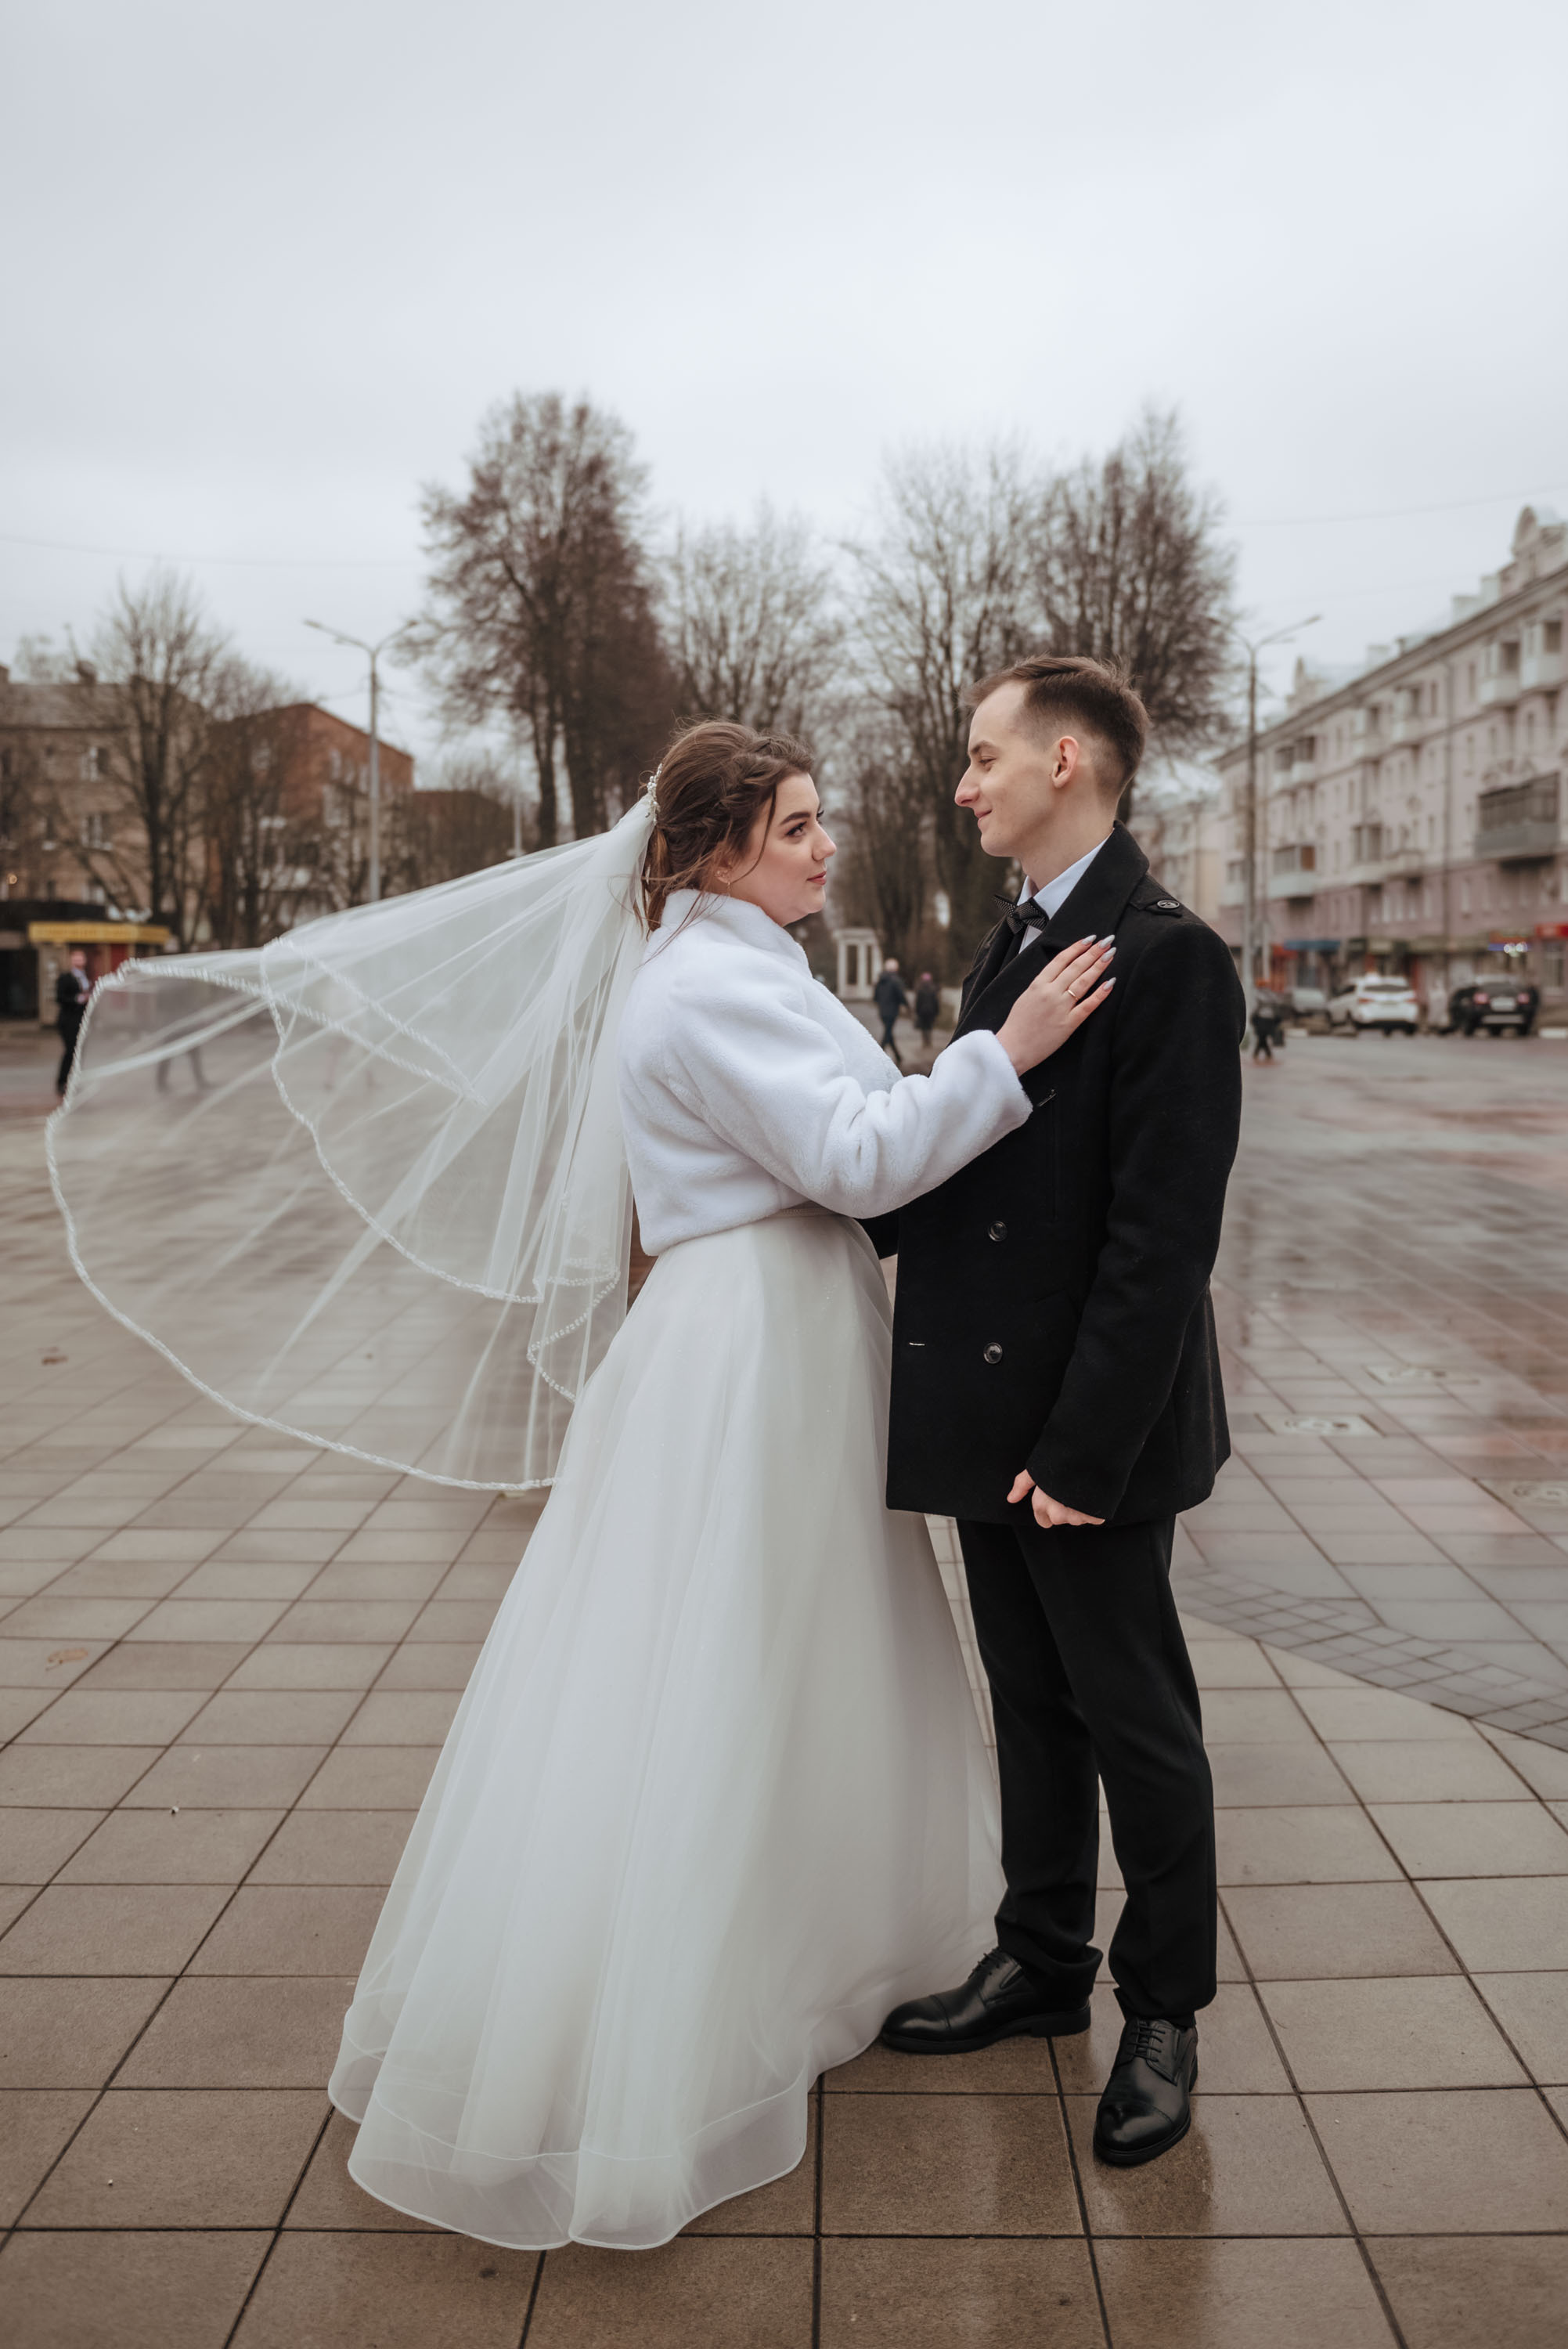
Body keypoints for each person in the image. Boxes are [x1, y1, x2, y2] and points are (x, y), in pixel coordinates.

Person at [204, 720, 1101, 2250]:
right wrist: (998, 1061)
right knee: (725, 1654)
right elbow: (854, 1153)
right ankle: (676, 2007)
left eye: (819, 822)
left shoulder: (735, 966)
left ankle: (801, 1949)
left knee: (790, 1641)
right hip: (750, 1344)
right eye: (798, 824)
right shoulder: (703, 989)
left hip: (780, 1330)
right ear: (711, 848)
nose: (826, 845)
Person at [873, 655, 1245, 2171]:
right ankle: (1040, 1959)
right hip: (984, 1403)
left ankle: (1161, 2009)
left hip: (1090, 1425)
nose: (963, 786)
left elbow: (1160, 1236)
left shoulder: (1166, 957)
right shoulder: (1017, 940)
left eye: (981, 757)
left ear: (1068, 759)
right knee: (1027, 1702)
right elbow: (977, 1153)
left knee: (1132, 1716)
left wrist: (1084, 1451)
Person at [54, 948, 92, 1095]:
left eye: (80, 958)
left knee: (79, 1052)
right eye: (75, 958)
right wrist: (78, 999)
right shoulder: (65, 977)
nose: (78, 961)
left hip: (81, 1021)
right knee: (70, 1051)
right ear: (71, 960)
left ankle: (74, 1079)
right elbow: (60, 998)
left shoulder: (85, 977)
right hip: (68, 1020)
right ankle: (62, 1081)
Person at [872, 954, 907, 1063]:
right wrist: (906, 1006)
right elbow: (901, 995)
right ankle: (879, 1055)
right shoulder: (896, 980)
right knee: (887, 1033)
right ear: (896, 969)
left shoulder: (879, 980)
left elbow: (875, 997)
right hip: (892, 1011)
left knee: (889, 1032)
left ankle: (898, 1056)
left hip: (882, 1011)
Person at [1250, 991, 1282, 1061]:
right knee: (1262, 1037)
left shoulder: (1259, 995)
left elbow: (1256, 1009)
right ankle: (1266, 1053)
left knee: (1262, 1037)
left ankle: (1259, 1053)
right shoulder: (1272, 996)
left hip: (1263, 1020)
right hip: (1267, 1020)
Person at [914, 970, 941, 1050]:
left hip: (922, 1011)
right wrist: (937, 1011)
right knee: (929, 1026)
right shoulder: (933, 989)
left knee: (923, 1027)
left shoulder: (920, 989)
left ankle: (924, 1042)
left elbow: (918, 1001)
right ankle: (929, 1042)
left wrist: (917, 1011)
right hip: (931, 1011)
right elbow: (936, 1001)